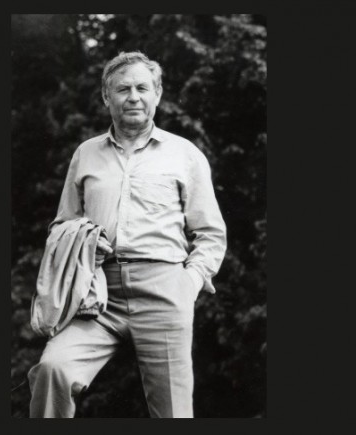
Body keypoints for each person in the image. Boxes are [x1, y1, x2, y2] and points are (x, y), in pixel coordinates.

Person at [27, 51, 227, 418]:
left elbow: (210, 234)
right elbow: (61, 225)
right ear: (107, 97)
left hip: (164, 291)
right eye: (122, 89)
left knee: (173, 410)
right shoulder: (86, 154)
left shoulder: (185, 154)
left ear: (157, 94)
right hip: (96, 294)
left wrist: (190, 282)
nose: (133, 97)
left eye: (142, 88)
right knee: (54, 369)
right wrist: (82, 242)